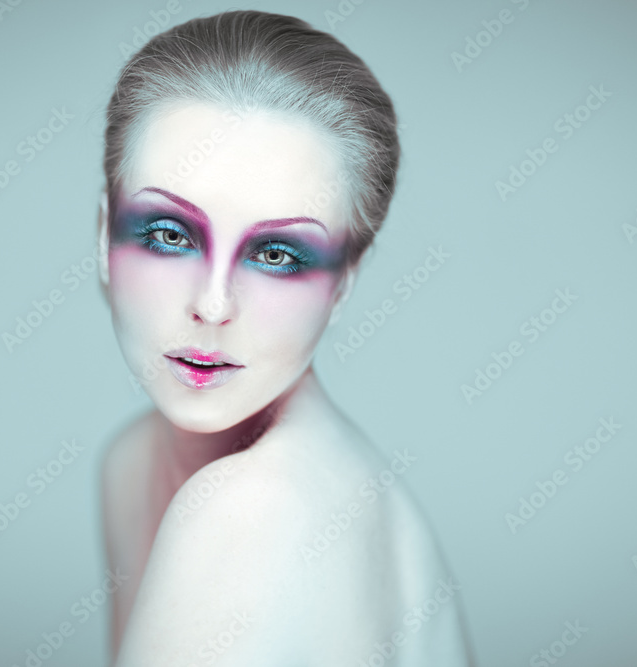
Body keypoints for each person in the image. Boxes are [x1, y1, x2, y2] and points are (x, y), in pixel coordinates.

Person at [97, 10, 474, 666]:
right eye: (170, 235)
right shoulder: (131, 464)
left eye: (275, 254)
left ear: (343, 280)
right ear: (106, 236)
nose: (213, 304)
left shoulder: (254, 514)